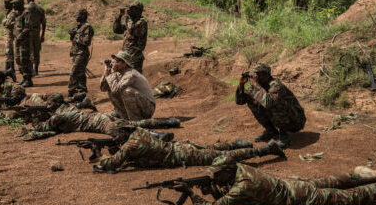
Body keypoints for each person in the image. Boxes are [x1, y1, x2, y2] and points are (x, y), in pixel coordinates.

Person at [161, 159, 376, 205]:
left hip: (296, 196)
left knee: (349, 199)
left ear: (228, 172)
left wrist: (194, 196)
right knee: (328, 181)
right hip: (288, 183)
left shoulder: (242, 184)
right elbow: (223, 188)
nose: (216, 178)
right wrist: (209, 184)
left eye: (217, 175)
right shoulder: (239, 169)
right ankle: (358, 174)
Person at [93, 128, 285, 173]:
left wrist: (100, 159)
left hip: (182, 154)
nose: (115, 140)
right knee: (211, 149)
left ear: (122, 135)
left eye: (116, 137)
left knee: (223, 158)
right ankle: (236, 143)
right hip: (181, 147)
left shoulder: (130, 145)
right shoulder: (138, 133)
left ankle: (266, 150)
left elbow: (112, 164)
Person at [19, 92, 180, 141]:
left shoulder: (58, 117)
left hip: (99, 122)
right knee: (132, 122)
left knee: (126, 130)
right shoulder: (68, 106)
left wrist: (32, 118)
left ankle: (158, 135)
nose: (48, 106)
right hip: (100, 115)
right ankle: (169, 122)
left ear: (54, 106)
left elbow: (43, 127)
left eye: (50, 105)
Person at [235, 63, 305, 149]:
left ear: (266, 74)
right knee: (251, 101)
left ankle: (284, 138)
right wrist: (241, 85)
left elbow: (269, 103)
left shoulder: (276, 85)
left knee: (273, 104)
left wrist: (256, 84)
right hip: (285, 118)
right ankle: (271, 131)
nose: (255, 77)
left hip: (296, 120)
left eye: (257, 75)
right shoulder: (258, 86)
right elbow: (240, 101)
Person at [100, 50, 155, 121]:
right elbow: (103, 88)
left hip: (148, 108)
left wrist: (112, 73)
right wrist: (106, 73)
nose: (113, 63)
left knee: (126, 91)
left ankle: (135, 120)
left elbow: (116, 90)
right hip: (140, 103)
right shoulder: (118, 73)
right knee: (110, 90)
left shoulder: (130, 74)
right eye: (114, 61)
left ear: (124, 64)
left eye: (117, 61)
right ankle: (125, 118)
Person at [112, 2, 147, 73]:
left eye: (133, 9)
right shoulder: (130, 22)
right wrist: (120, 16)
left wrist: (127, 19)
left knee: (134, 78)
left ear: (139, 11)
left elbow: (133, 31)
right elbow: (116, 30)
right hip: (125, 56)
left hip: (135, 57)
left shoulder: (142, 22)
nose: (129, 10)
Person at [68, 9, 94, 98]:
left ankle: (71, 90)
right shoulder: (78, 27)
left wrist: (75, 36)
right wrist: (72, 35)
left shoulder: (87, 27)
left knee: (74, 72)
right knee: (80, 73)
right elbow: (74, 40)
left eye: (78, 15)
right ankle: (82, 91)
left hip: (82, 53)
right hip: (75, 52)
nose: (76, 17)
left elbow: (87, 42)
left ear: (83, 16)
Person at [13, 0, 33, 87]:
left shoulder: (26, 13)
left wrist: (20, 37)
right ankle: (24, 78)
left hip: (24, 41)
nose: (13, 6)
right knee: (18, 59)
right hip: (18, 41)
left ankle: (28, 80)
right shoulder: (17, 14)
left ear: (21, 4)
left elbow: (28, 27)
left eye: (15, 4)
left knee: (25, 59)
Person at [26, 0, 47, 75]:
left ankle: (31, 69)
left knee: (29, 50)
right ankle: (36, 69)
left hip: (28, 32)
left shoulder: (26, 8)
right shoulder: (40, 9)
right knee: (36, 51)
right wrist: (42, 35)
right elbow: (44, 24)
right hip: (37, 32)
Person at [2, 0, 17, 81]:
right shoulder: (8, 13)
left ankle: (10, 69)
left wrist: (5, 22)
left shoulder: (13, 13)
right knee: (8, 53)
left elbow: (7, 23)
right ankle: (9, 69)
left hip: (10, 35)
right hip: (7, 34)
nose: (4, 5)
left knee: (9, 52)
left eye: (6, 4)